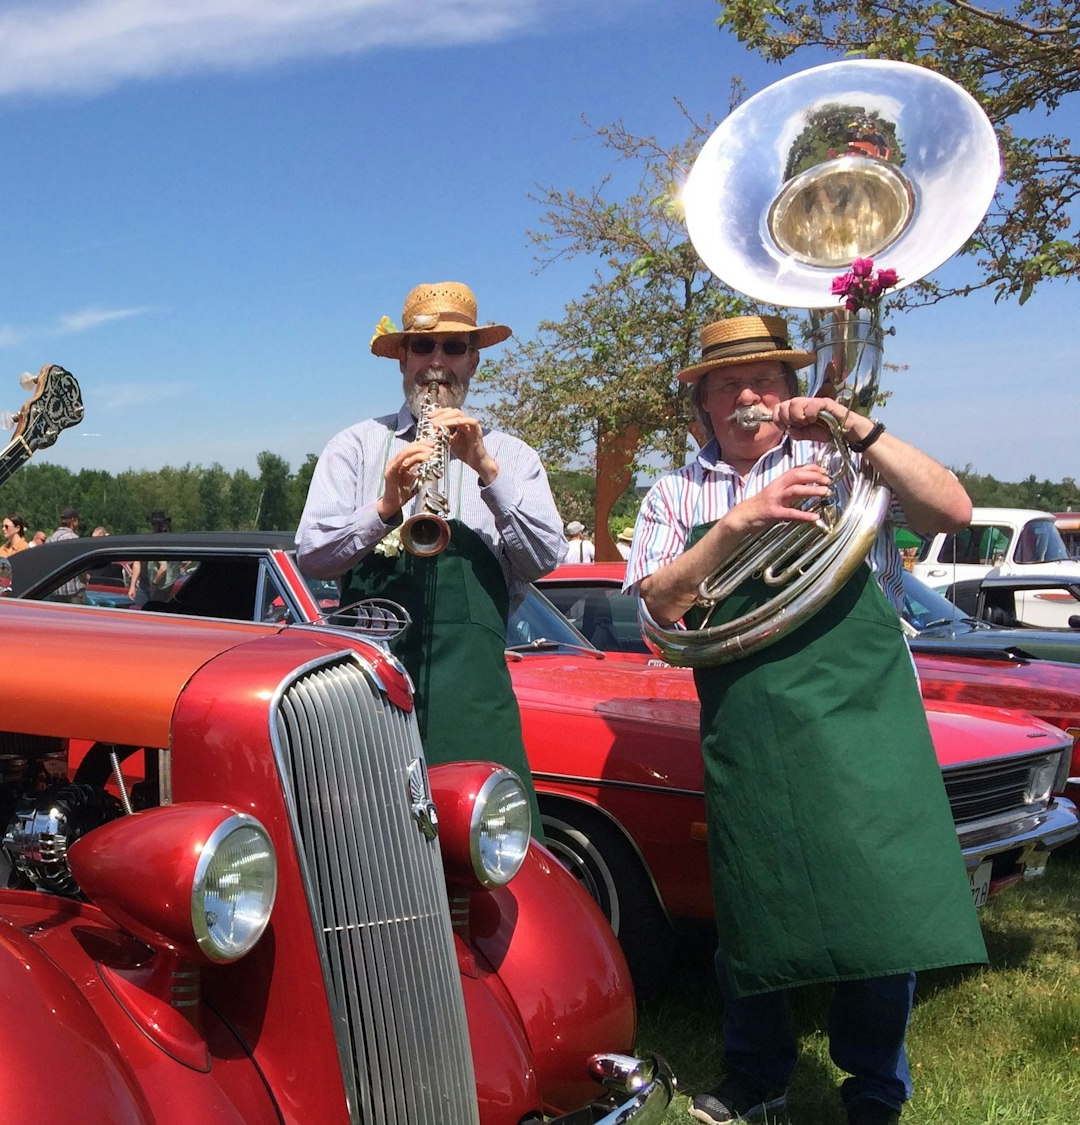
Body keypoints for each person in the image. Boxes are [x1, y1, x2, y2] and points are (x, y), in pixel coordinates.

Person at [625, 315, 984, 1125]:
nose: (748, 396)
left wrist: (852, 425)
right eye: (727, 385)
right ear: (704, 408)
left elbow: (953, 510)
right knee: (752, 904)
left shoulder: (846, 461)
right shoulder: (676, 491)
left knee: (879, 905)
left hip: (859, 715)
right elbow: (659, 602)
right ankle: (757, 1072)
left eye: (766, 381)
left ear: (792, 391)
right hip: (749, 722)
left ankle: (875, 1087)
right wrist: (740, 523)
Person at [296, 281, 563, 825]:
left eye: (454, 348)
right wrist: (386, 507)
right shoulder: (356, 446)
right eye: (423, 347)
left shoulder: (512, 456)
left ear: (475, 363)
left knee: (485, 873)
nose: (437, 363)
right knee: (370, 870)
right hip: (370, 710)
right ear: (402, 360)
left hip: (474, 710)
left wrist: (487, 470)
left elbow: (545, 560)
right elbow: (313, 559)